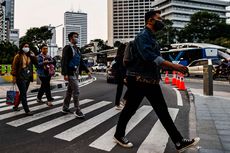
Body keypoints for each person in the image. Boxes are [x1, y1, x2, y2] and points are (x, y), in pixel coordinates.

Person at [113, 10, 200, 152]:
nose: (162, 21)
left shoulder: (152, 38)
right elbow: (149, 57)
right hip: (138, 80)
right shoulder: (142, 36)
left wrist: (168, 68)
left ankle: (179, 142)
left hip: (150, 81)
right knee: (130, 109)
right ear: (150, 21)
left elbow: (155, 60)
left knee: (162, 111)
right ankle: (118, 135)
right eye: (159, 19)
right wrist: (174, 66)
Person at [61, 32, 91, 118]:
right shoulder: (67, 48)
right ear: (70, 38)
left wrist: (87, 70)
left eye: (77, 36)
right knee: (76, 91)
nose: (77, 38)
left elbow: (81, 61)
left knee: (69, 91)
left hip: (76, 73)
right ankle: (77, 110)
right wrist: (65, 73)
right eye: (75, 37)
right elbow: (64, 61)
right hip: (70, 73)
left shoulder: (77, 49)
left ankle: (65, 108)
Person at [11, 42, 37, 116]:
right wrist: (14, 77)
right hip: (20, 77)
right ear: (22, 47)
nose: (27, 47)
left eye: (28, 46)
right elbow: (14, 67)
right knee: (23, 94)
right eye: (25, 46)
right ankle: (27, 110)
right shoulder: (18, 56)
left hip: (27, 77)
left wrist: (33, 55)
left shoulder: (30, 56)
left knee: (22, 93)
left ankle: (15, 106)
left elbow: (36, 62)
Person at [114, 43, 128, 110]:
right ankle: (124, 100)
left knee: (119, 90)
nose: (126, 49)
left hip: (119, 75)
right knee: (132, 87)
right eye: (126, 48)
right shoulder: (121, 57)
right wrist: (124, 77)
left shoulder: (119, 56)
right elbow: (121, 68)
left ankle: (118, 103)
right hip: (121, 76)